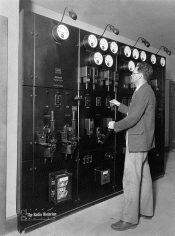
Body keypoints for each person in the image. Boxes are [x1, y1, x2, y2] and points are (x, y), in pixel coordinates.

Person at [108, 61, 156, 231]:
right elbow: (135, 111)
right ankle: (146, 210)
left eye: (134, 72)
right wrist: (119, 105)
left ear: (140, 76)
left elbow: (132, 118)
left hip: (137, 142)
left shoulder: (142, 91)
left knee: (130, 180)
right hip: (144, 141)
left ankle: (129, 219)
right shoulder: (145, 90)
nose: (131, 75)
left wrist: (115, 126)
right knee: (144, 177)